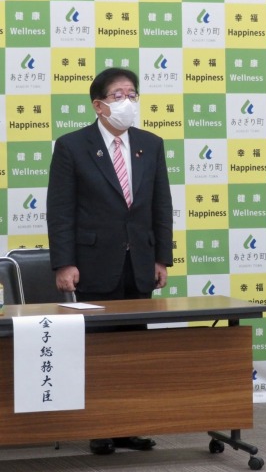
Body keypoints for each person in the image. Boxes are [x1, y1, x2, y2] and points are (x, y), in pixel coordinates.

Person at [47, 67, 173, 455]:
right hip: (93, 264)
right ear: (98, 105)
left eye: (132, 94)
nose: (128, 101)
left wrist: (161, 258)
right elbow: (60, 210)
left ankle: (129, 425)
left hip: (139, 265)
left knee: (134, 352)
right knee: (99, 351)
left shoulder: (150, 144)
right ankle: (100, 427)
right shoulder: (72, 146)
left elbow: (161, 205)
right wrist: (64, 263)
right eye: (119, 95)